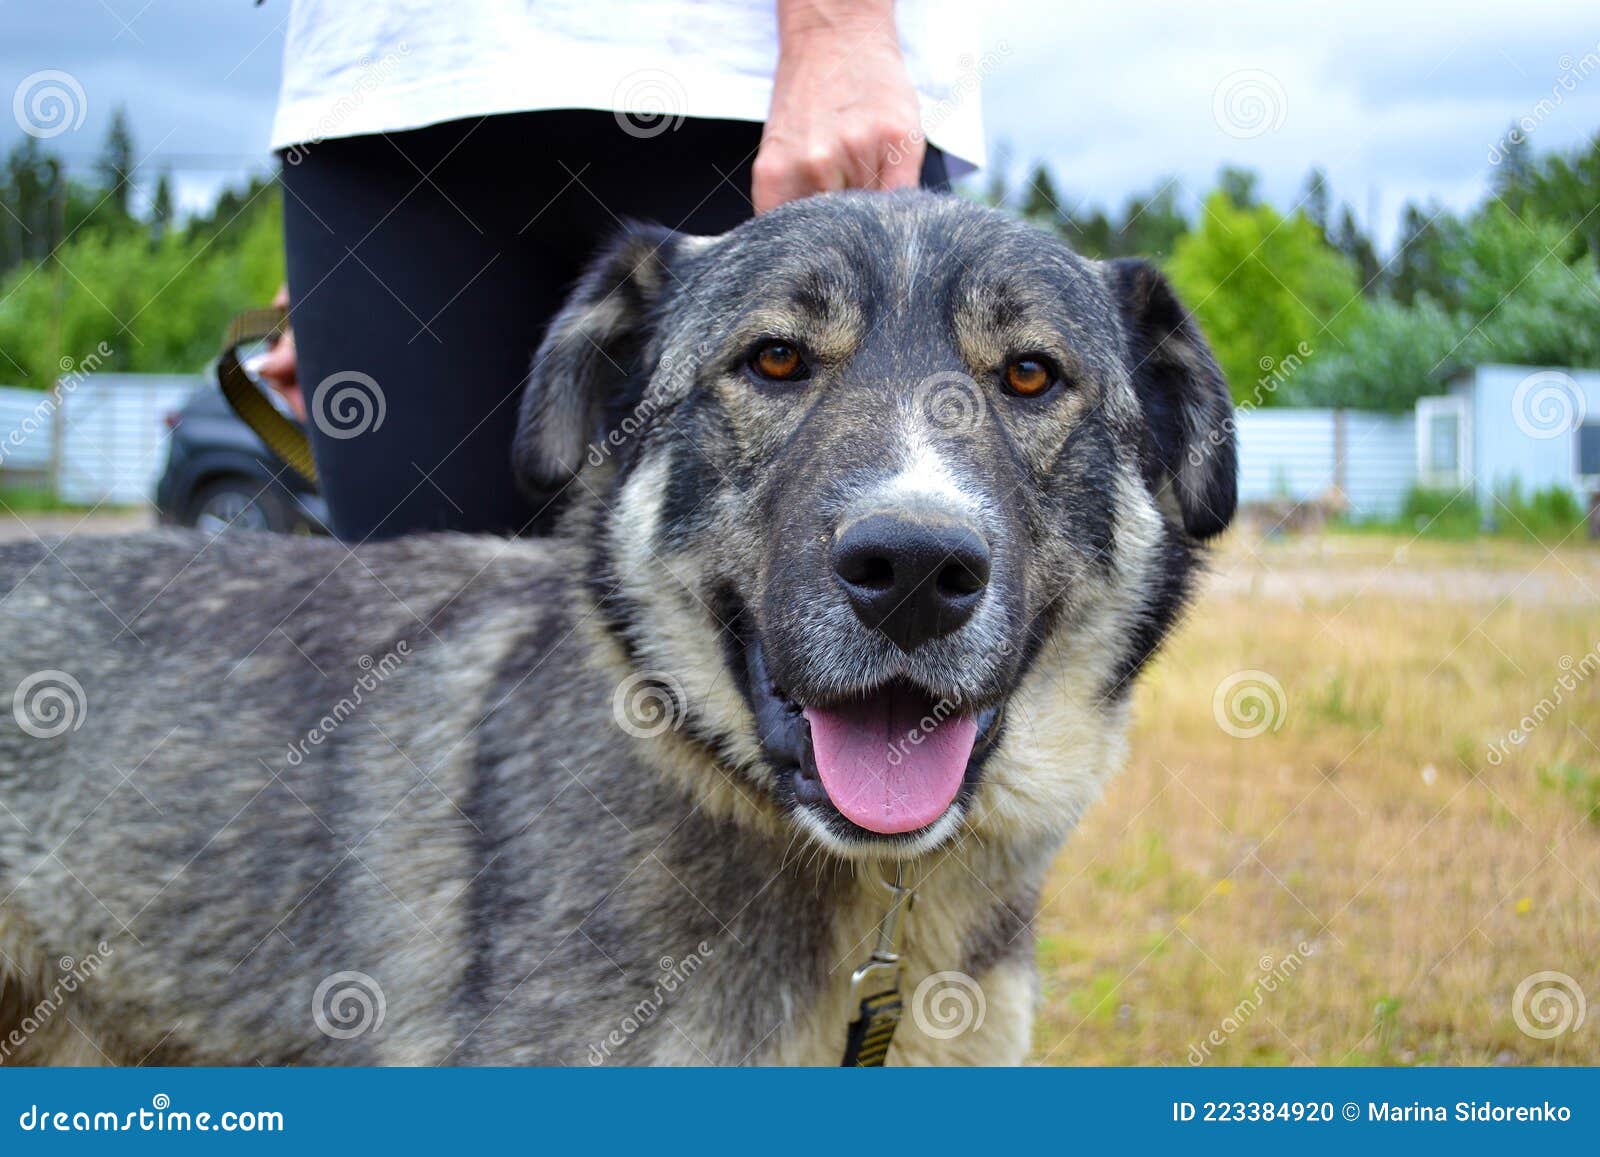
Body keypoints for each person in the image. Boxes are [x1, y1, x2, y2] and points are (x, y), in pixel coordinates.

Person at [269, 0, 984, 540]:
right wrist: (332, 296)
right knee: (412, 654)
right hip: (384, 100)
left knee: (840, 626)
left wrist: (837, 28)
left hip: (741, 85)